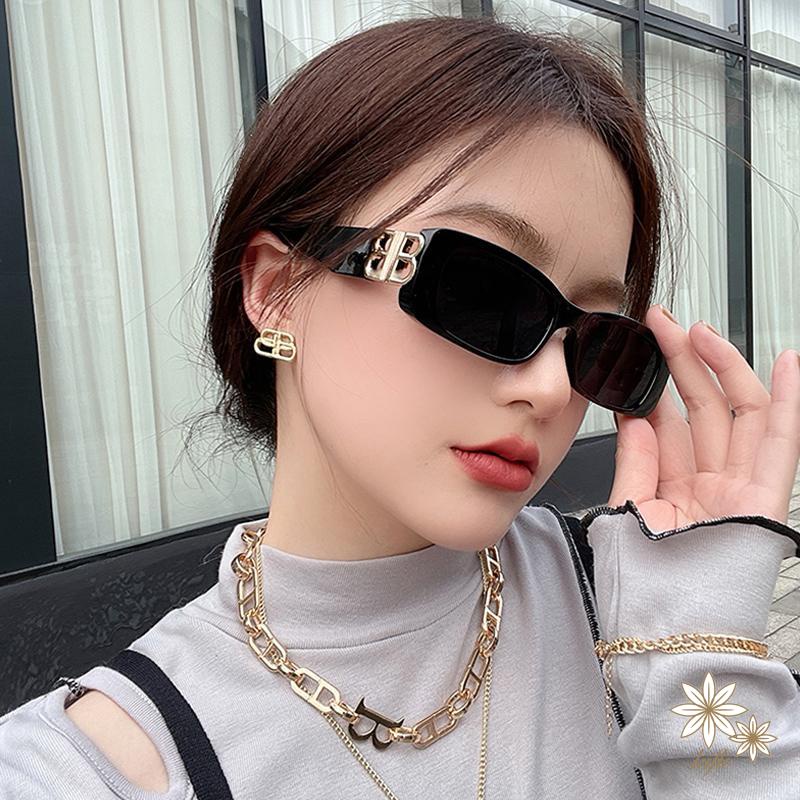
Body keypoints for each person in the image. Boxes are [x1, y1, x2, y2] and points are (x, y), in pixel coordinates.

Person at [2, 13, 799, 800]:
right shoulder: (87, 766)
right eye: (483, 292)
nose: (553, 388)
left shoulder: (632, 602)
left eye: (595, 341)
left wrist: (701, 653)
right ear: (277, 290)